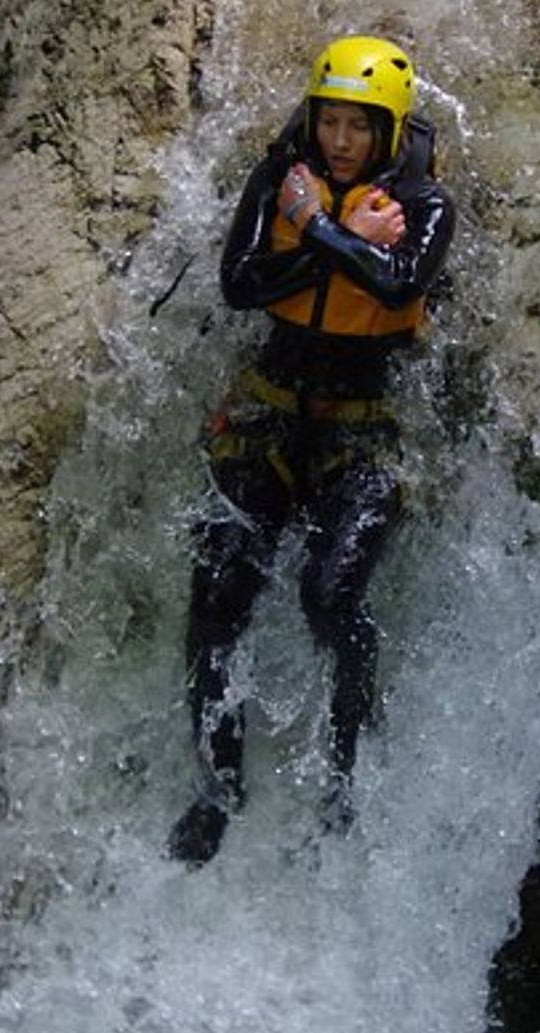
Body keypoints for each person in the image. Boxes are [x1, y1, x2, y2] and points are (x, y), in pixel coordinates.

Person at [167, 35, 456, 866]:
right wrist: (331, 239)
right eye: (329, 122)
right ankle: (217, 790)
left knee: (331, 598)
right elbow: (240, 283)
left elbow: (399, 285)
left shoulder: (424, 205)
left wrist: (318, 230)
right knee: (215, 598)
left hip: (362, 425)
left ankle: (344, 776)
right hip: (267, 410)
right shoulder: (279, 181)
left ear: (388, 134)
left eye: (358, 128)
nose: (338, 141)